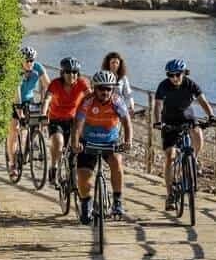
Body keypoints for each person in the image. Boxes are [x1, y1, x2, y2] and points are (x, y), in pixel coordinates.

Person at [154, 58, 215, 211]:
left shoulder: (190, 84)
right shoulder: (163, 85)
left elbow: (203, 101)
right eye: (171, 75)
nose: (174, 78)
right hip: (169, 121)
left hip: (187, 117)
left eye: (177, 75)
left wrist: (211, 116)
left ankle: (193, 160)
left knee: (198, 134)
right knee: (170, 156)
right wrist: (157, 122)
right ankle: (169, 196)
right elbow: (158, 105)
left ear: (184, 73)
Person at [71, 70, 132, 223]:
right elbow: (78, 124)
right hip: (88, 141)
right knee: (84, 176)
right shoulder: (87, 101)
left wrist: (128, 140)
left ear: (113, 89)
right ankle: (86, 203)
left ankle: (117, 201)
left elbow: (126, 122)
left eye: (108, 89)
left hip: (110, 141)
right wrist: (75, 142)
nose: (105, 92)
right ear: (95, 88)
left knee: (117, 163)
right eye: (101, 88)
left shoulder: (117, 101)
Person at [42, 57, 91, 185]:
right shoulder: (55, 84)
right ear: (62, 73)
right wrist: (43, 114)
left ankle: (72, 175)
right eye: (68, 72)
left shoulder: (82, 83)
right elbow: (47, 99)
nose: (71, 75)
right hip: (56, 119)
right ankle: (53, 167)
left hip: (74, 120)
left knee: (76, 149)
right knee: (58, 143)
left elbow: (90, 98)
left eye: (74, 72)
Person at [7, 46, 48, 178]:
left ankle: (26, 150)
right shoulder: (16, 71)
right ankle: (12, 163)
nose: (30, 63)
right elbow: (17, 94)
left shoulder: (38, 67)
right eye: (27, 60)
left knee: (26, 129)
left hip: (29, 99)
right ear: (21, 60)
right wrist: (20, 114)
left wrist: (47, 101)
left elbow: (48, 85)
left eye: (32, 60)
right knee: (14, 129)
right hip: (14, 99)